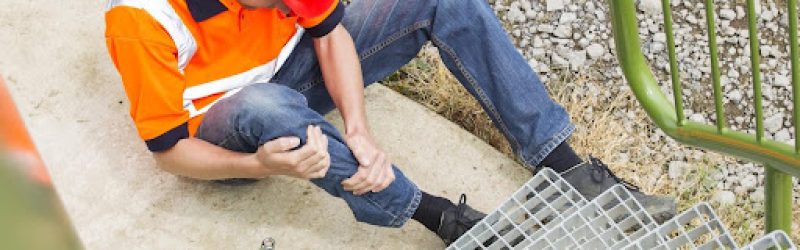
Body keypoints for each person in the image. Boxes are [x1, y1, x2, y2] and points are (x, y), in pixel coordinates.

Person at [104, 0, 676, 245]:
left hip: (287, 74)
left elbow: (330, 38)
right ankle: (439, 216)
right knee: (265, 106)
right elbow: (169, 151)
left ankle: (566, 168)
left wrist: (358, 128)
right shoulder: (141, 22)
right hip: (228, 130)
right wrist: (256, 163)